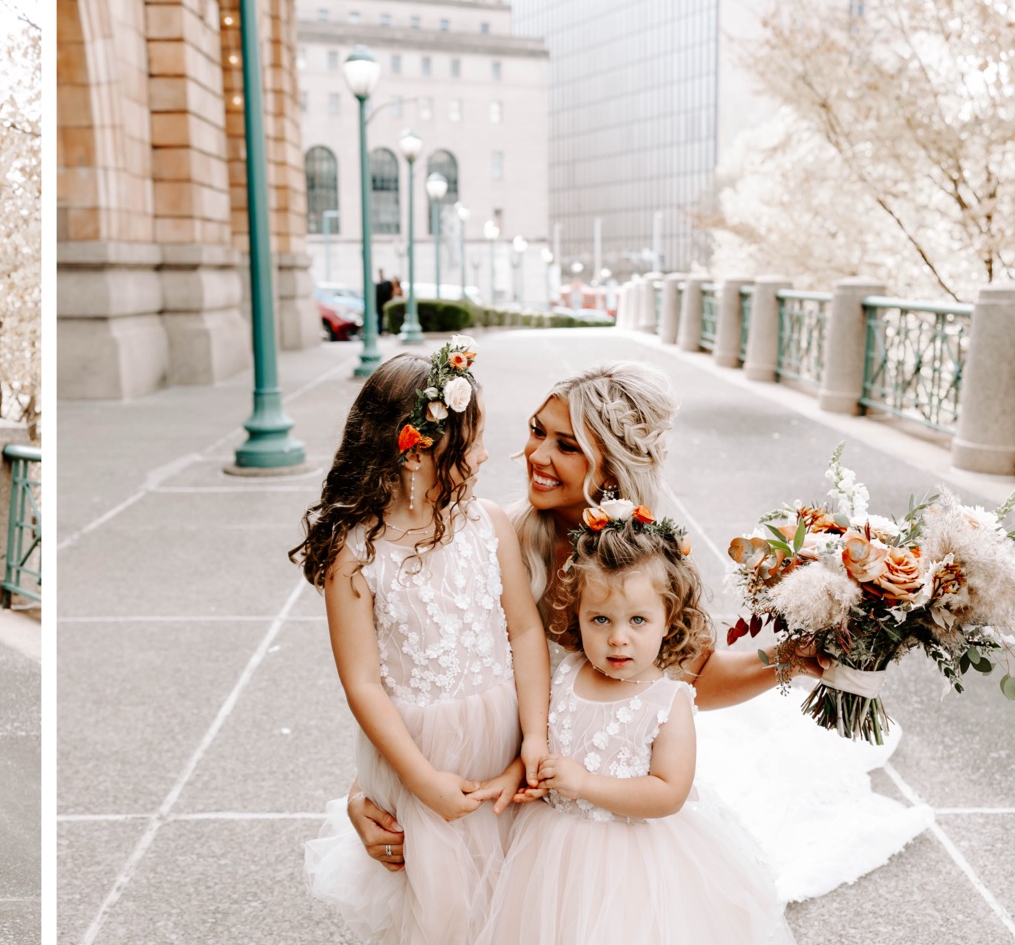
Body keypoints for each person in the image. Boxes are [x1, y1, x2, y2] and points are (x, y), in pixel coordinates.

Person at [345, 361, 930, 900]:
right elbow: (425, 671)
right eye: (536, 431)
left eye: (566, 446)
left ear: (611, 464)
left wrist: (790, 658)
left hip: (588, 784)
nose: (535, 455)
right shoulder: (500, 536)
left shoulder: (652, 556)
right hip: (499, 775)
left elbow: (695, 678)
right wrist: (367, 793)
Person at [466, 507, 792, 945]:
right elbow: (549, 747)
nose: (618, 639)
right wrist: (540, 777)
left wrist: (585, 782)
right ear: (576, 615)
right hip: (558, 850)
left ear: (670, 620)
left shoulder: (667, 698)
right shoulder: (563, 674)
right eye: (600, 620)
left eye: (639, 621)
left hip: (637, 861)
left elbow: (666, 791)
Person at [291, 339, 550, 945]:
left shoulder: (491, 525)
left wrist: (533, 735)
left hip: (497, 731)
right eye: (461, 443)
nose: (473, 457)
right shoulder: (354, 548)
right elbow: (362, 681)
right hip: (416, 746)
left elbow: (525, 633)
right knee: (427, 893)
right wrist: (422, 778)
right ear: (412, 449)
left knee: (507, 891)